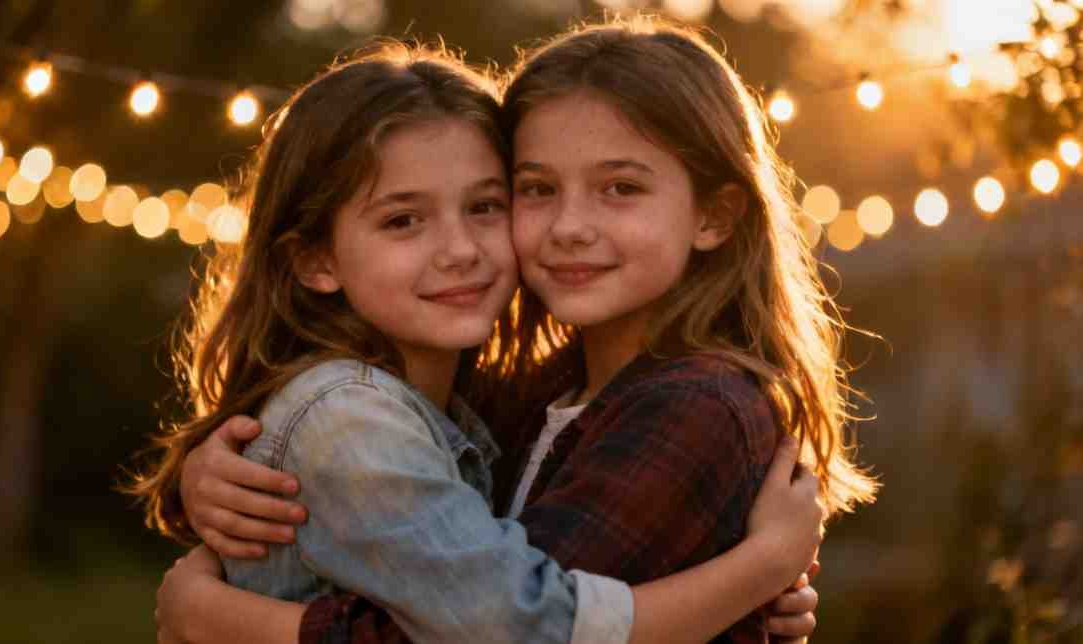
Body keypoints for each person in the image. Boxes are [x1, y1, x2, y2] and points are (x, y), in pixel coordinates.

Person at [140, 20, 856, 643]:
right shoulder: (523, 399)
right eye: (538, 189)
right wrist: (208, 483)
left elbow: (514, 631)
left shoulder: (692, 409)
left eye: (621, 188)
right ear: (315, 259)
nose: (571, 227)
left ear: (716, 216)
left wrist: (214, 615)